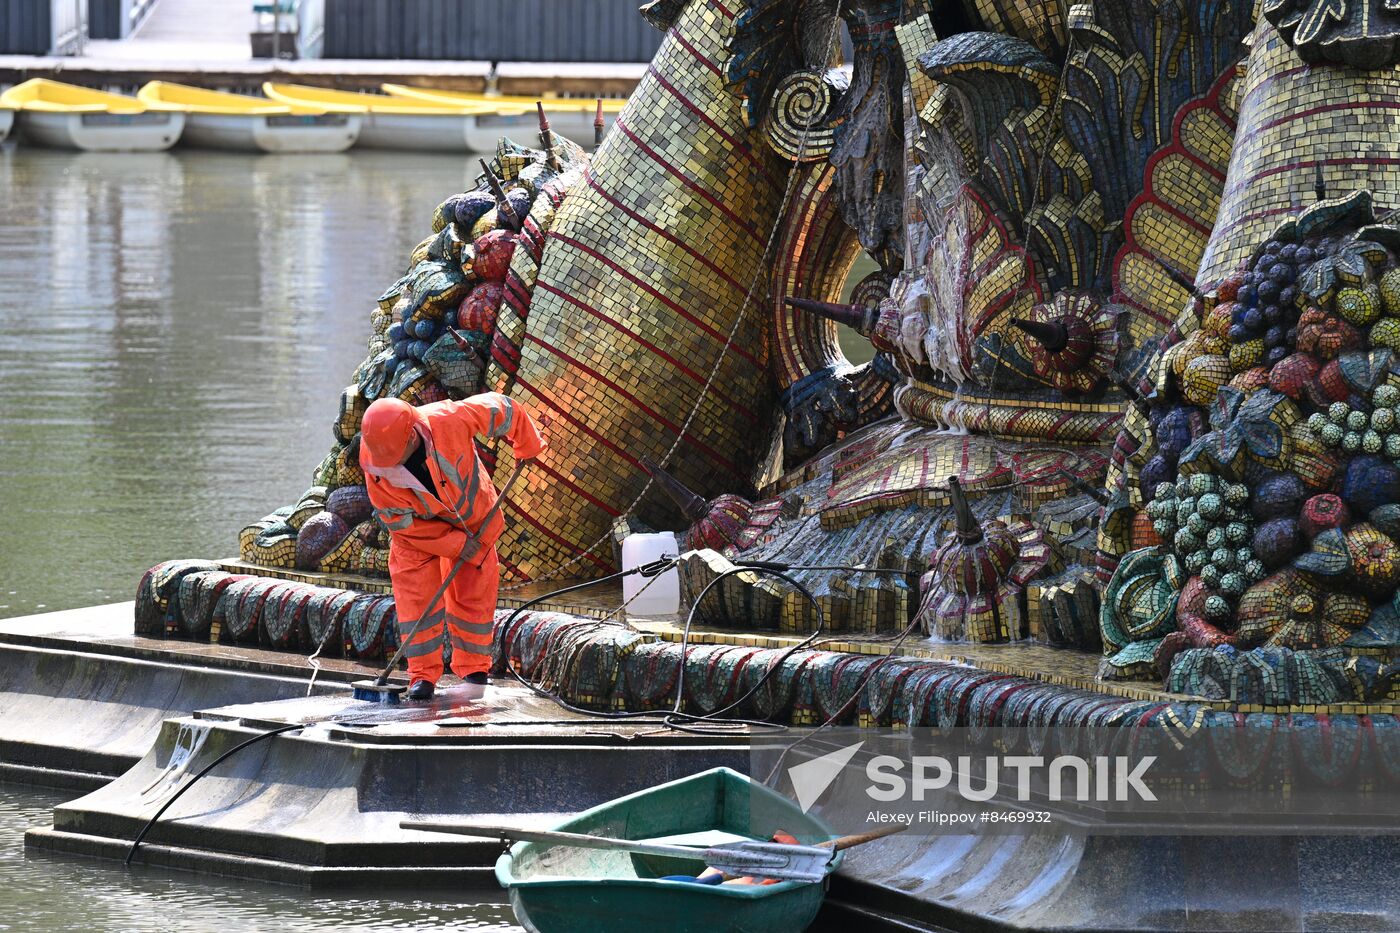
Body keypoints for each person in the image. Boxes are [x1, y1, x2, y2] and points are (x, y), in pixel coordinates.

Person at [358, 392, 544, 700]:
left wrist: (527, 444)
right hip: (417, 538)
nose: (392, 467)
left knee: (474, 595)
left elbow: (504, 408)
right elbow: (400, 525)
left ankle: (474, 670)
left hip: (473, 522)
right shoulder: (376, 466)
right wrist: (455, 544)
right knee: (416, 602)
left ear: (411, 437)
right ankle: (422, 677)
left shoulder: (449, 419)